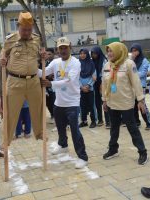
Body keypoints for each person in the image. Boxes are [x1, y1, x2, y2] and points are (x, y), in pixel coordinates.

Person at [40, 37, 89, 169]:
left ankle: (82, 157)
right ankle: (63, 145)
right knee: (60, 128)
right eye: (60, 48)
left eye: (65, 47)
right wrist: (38, 62)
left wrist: (51, 83)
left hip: (72, 103)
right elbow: (43, 72)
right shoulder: (55, 62)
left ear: (70, 47)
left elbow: (70, 80)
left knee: (75, 131)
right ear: (57, 49)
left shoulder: (75, 63)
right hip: (59, 103)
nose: (63, 50)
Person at [0, 11, 43, 145]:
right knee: (10, 111)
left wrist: (43, 55)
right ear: (18, 27)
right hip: (15, 81)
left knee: (38, 108)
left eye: (29, 30)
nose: (26, 32)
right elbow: (3, 52)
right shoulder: (11, 39)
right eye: (24, 30)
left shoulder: (36, 38)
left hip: (34, 81)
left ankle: (40, 133)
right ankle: (7, 139)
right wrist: (2, 58)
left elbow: (40, 52)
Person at [101, 42, 148, 165]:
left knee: (132, 128)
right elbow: (104, 83)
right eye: (108, 51)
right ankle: (113, 149)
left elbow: (136, 82)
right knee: (114, 128)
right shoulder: (107, 65)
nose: (109, 53)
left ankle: (142, 152)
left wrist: (140, 100)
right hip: (112, 103)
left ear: (119, 51)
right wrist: (104, 100)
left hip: (126, 103)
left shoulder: (128, 64)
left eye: (112, 51)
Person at [130, 43, 150, 130]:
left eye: (135, 50)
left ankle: (149, 122)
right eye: (132, 51)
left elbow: (143, 73)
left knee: (142, 104)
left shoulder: (145, 61)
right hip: (132, 86)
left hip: (141, 86)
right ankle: (137, 122)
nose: (134, 52)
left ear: (139, 51)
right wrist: (131, 62)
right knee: (133, 105)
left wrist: (133, 73)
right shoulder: (130, 61)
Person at [91, 46, 110, 128]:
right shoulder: (91, 62)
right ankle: (100, 119)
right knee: (97, 102)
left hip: (103, 83)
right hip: (94, 83)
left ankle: (108, 121)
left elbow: (105, 74)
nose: (93, 55)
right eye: (92, 53)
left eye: (95, 53)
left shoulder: (104, 61)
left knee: (105, 101)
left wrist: (102, 84)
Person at [79, 48, 97, 128]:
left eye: (84, 53)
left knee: (91, 105)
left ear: (87, 54)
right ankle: (84, 121)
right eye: (81, 53)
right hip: (81, 89)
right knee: (82, 105)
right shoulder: (78, 64)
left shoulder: (91, 63)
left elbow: (94, 76)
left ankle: (93, 121)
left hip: (90, 89)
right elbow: (76, 77)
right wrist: (81, 87)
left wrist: (88, 85)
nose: (82, 55)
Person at [45, 48, 56, 121]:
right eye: (47, 54)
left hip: (56, 85)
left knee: (54, 101)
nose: (48, 56)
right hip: (48, 85)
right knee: (48, 102)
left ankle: (55, 115)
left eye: (49, 54)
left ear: (53, 54)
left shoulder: (56, 62)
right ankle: (52, 114)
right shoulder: (45, 63)